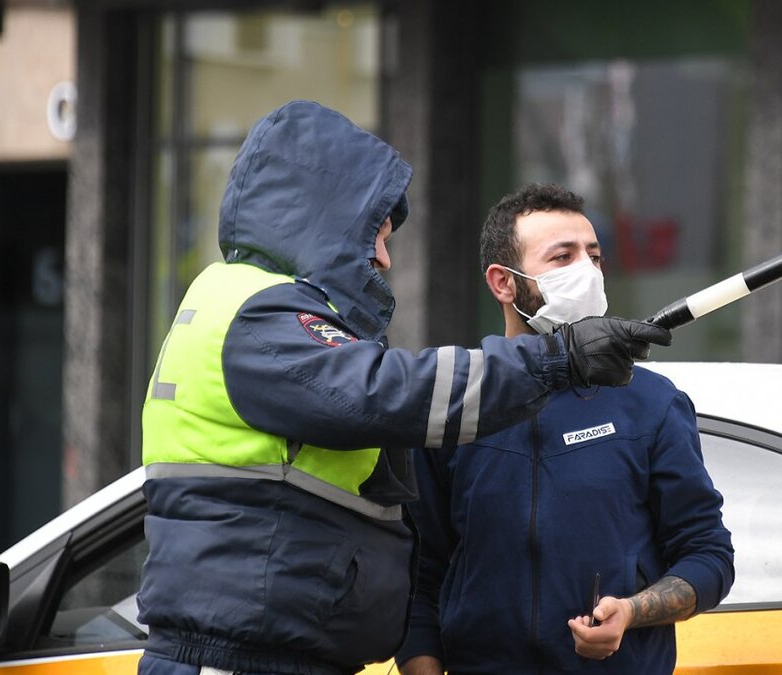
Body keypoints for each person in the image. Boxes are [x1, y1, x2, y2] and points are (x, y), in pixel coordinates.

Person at [135, 102, 671, 675]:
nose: (384, 259)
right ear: (325, 220)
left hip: (266, 650)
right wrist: (556, 359)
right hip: (242, 657)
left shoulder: (246, 302)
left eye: (593, 255)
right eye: (376, 236)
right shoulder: (259, 308)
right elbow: (383, 394)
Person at [396, 183, 734, 675]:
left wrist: (633, 611)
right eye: (563, 257)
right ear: (503, 282)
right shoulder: (456, 402)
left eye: (594, 256)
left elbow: (709, 556)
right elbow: (419, 579)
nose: (587, 271)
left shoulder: (651, 403)